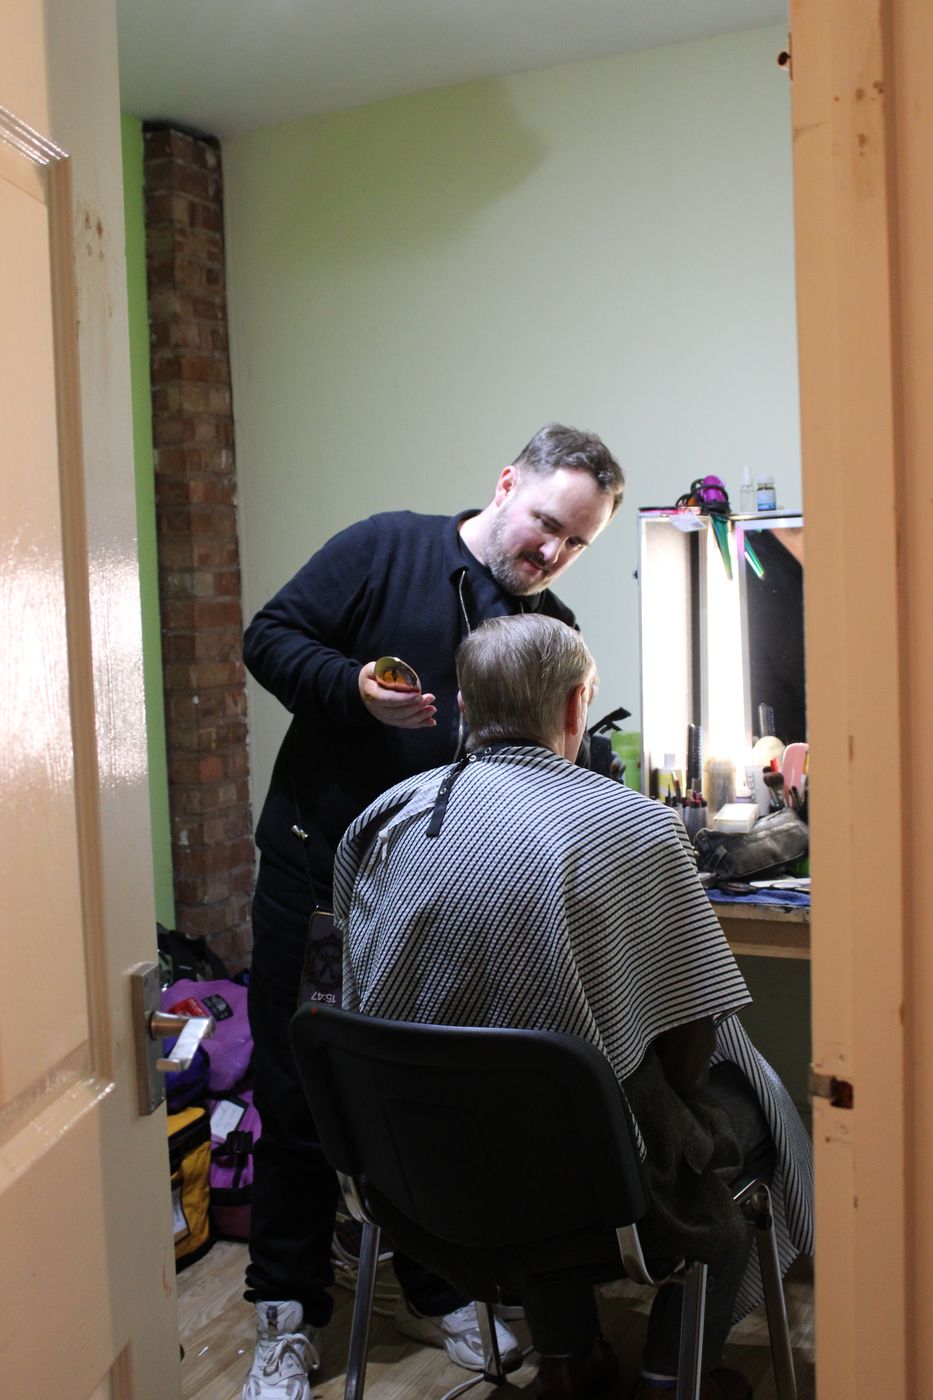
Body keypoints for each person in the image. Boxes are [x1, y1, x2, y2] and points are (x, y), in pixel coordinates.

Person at [335, 614, 814, 1400]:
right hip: (590, 1184)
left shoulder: (380, 821)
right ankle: (670, 1373)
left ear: (462, 708)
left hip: (417, 1172)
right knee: (751, 1114)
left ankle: (565, 1359)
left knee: (526, 1092)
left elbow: (358, 996)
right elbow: (690, 1048)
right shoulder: (633, 825)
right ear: (575, 705)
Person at [241, 425, 625, 1399]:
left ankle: (433, 1282)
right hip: (323, 882)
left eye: (576, 542)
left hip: (436, 900)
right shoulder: (385, 548)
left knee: (426, 1095)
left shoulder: (551, 619)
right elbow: (268, 637)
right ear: (506, 485)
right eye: (545, 524)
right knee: (297, 1097)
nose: (551, 555)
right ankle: (284, 1316)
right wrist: (350, 690)